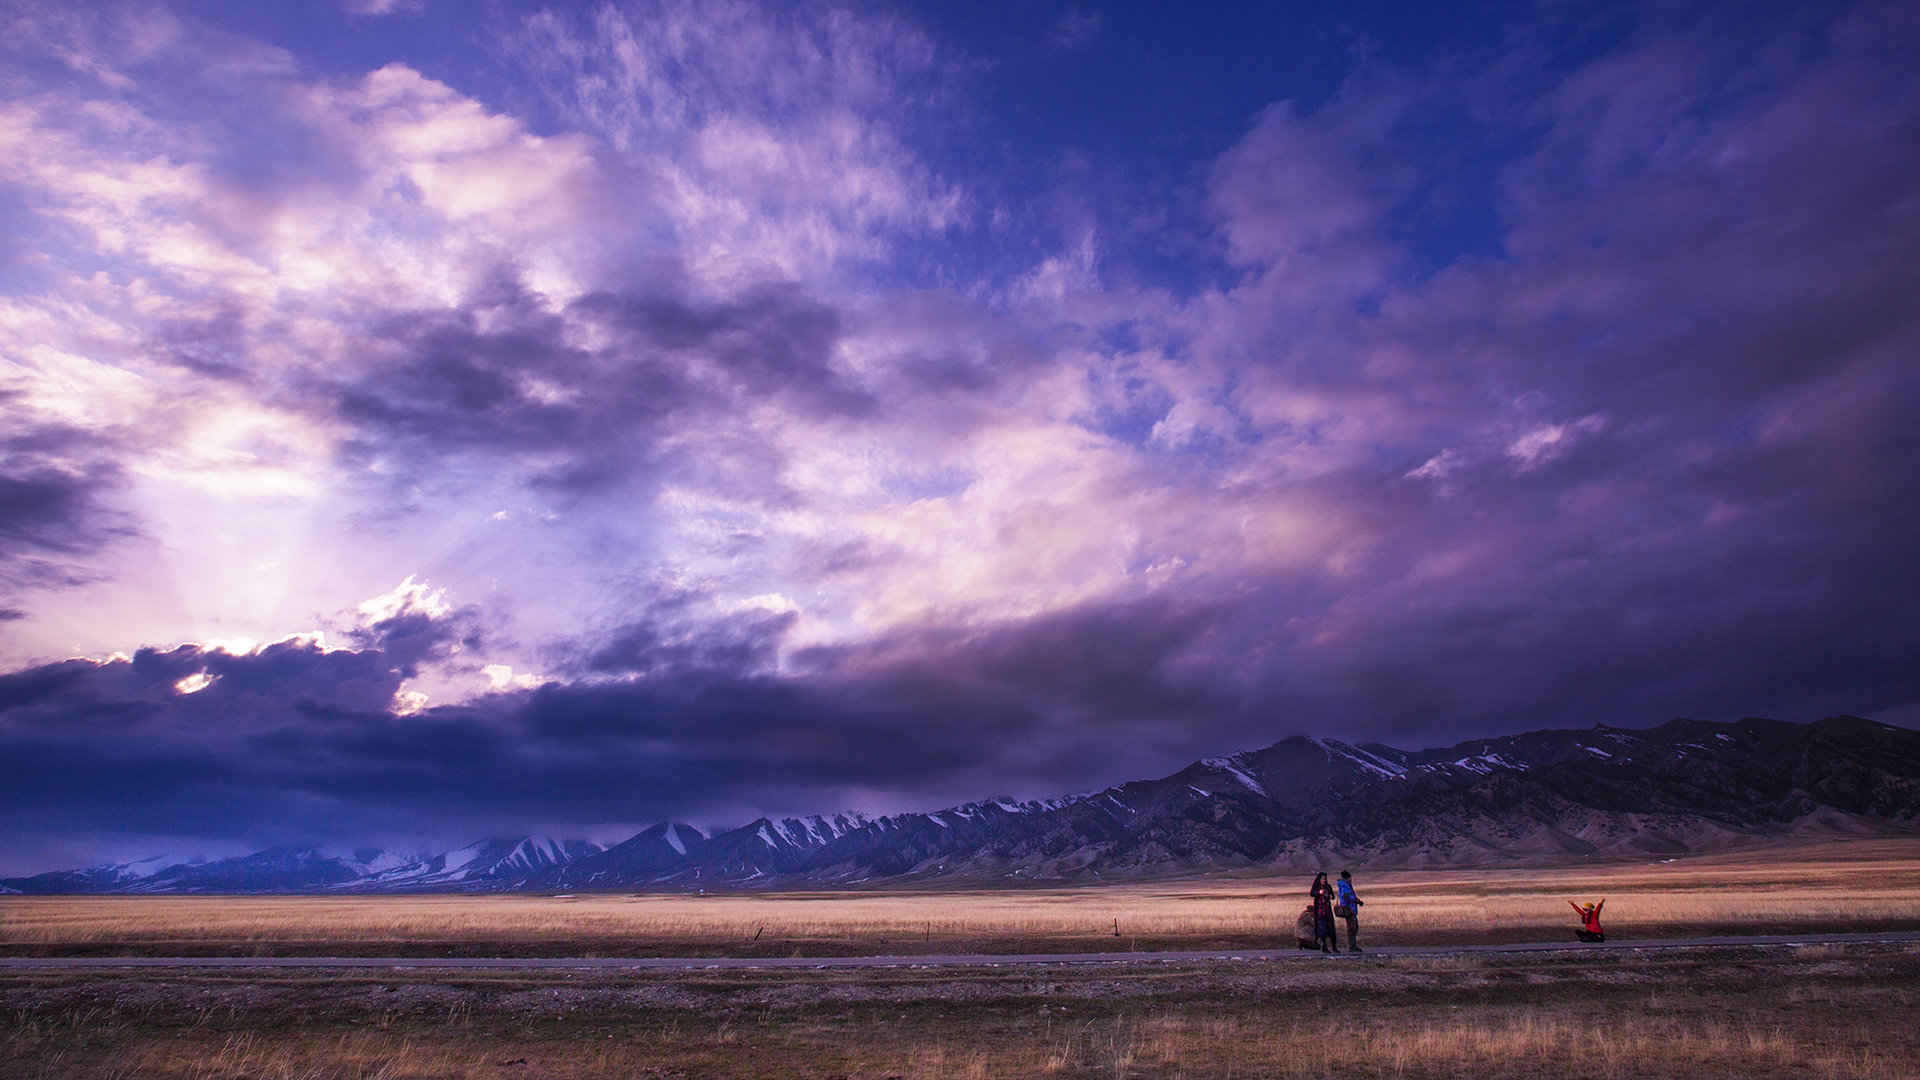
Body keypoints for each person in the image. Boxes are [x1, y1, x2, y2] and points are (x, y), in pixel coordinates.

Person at [1335, 869, 1364, 953]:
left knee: (1354, 927)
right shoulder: (1345, 886)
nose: (1351, 879)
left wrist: (1356, 900)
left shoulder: (1345, 886)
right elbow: (1347, 897)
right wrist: (1356, 901)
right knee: (1352, 928)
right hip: (1349, 909)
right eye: (1350, 878)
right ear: (1347, 878)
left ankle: (1353, 945)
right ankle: (1352, 946)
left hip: (1350, 909)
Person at [1310, 872, 1339, 953]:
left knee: (1331, 929)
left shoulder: (1328, 886)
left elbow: (1333, 896)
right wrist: (1319, 892)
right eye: (1322, 878)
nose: (1324, 880)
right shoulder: (1316, 887)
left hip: (1327, 911)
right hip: (1320, 912)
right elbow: (1312, 893)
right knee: (1322, 930)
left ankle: (1334, 947)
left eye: (1325, 878)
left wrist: (1330, 896)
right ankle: (1324, 947)